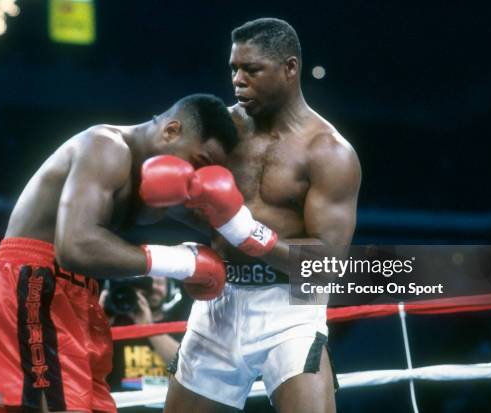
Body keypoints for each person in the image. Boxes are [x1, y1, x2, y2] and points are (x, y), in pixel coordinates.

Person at [0, 94, 238, 413]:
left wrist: (283, 255)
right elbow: (76, 246)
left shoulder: (166, 180)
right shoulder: (106, 147)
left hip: (74, 295)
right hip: (31, 287)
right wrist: (183, 262)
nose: (195, 175)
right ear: (172, 131)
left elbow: (224, 232)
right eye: (199, 162)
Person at [140, 18, 362, 412]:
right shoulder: (216, 131)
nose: (238, 80)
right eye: (233, 69)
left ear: (290, 69)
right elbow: (175, 204)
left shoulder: (328, 152)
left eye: (252, 69)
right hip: (219, 301)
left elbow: (326, 263)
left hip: (289, 308)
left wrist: (247, 233)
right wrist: (186, 229)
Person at [100, 276, 191, 391]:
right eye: (145, 283)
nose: (152, 287)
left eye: (158, 282)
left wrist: (148, 327)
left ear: (170, 289)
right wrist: (99, 325)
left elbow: (186, 366)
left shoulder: (180, 322)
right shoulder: (115, 322)